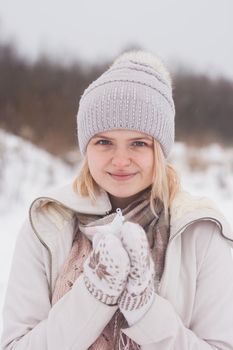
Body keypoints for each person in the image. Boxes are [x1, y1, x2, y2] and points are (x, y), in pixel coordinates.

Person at [1, 51, 233, 350]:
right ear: (86, 147)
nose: (120, 160)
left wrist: (145, 310)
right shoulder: (47, 223)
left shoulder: (198, 231)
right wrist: (94, 294)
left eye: (138, 143)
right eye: (104, 142)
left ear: (159, 151)